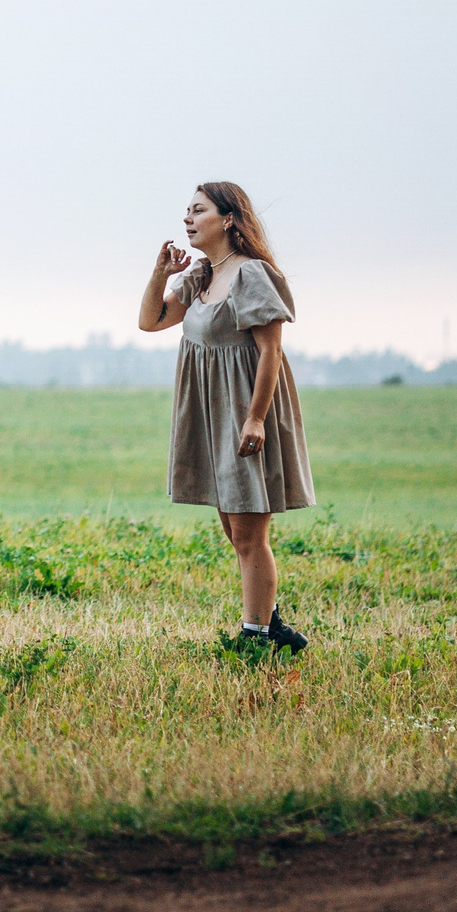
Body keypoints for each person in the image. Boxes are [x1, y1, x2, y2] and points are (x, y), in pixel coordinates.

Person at [139, 181, 315, 652]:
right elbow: (151, 321)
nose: (187, 219)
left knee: (248, 533)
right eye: (187, 211)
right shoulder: (200, 276)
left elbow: (271, 350)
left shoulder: (251, 275)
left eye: (198, 210)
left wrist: (256, 418)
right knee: (233, 531)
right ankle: (271, 623)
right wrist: (161, 272)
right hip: (210, 414)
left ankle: (256, 636)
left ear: (229, 218)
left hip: (243, 411)